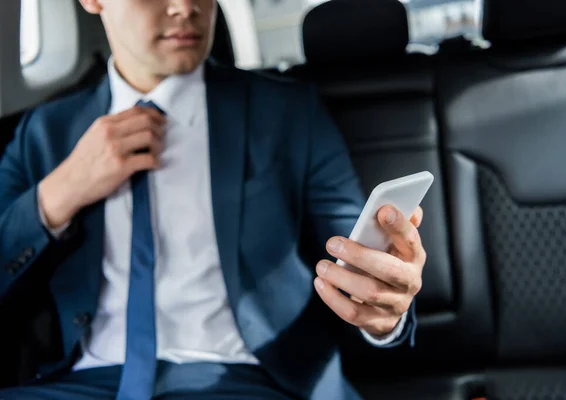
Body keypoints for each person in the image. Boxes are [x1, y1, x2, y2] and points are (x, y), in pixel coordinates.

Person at [0, 0, 427, 399]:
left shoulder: (286, 110)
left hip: (250, 379)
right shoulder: (44, 133)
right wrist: (58, 194)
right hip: (84, 383)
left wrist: (383, 303)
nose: (186, 7)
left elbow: (354, 253)